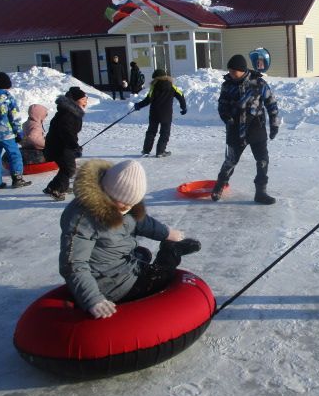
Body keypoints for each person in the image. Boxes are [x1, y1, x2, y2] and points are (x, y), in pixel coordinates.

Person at [59, 159, 201, 319]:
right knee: (163, 276)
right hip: (108, 281)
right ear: (107, 193)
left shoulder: (123, 206)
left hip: (122, 260)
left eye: (131, 205)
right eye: (124, 205)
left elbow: (141, 222)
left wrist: (166, 232)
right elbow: (73, 264)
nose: (127, 209)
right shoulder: (84, 220)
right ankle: (171, 251)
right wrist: (92, 299)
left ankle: (151, 252)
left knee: (142, 253)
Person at [211, 54, 280, 204]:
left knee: (262, 161)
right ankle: (219, 186)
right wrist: (226, 117)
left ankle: (261, 192)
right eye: (229, 71)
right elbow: (222, 105)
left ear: (242, 70)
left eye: (233, 71)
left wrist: (274, 124)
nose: (231, 74)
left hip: (256, 128)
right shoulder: (227, 84)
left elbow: (271, 103)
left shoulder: (259, 83)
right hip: (235, 129)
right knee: (230, 161)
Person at [43, 87, 88, 201]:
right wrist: (74, 146)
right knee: (68, 169)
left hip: (61, 145)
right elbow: (66, 132)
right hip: (59, 146)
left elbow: (70, 132)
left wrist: (74, 145)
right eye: (83, 98)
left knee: (66, 167)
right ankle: (55, 189)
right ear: (76, 100)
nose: (86, 101)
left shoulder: (71, 111)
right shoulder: (68, 114)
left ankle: (55, 186)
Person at [134, 68, 187, 158]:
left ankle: (146, 150)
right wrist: (183, 107)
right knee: (165, 132)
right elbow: (180, 95)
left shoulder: (154, 87)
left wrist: (139, 105)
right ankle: (160, 151)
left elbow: (148, 100)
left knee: (151, 131)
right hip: (166, 113)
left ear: (156, 78)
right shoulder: (171, 86)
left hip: (154, 113)